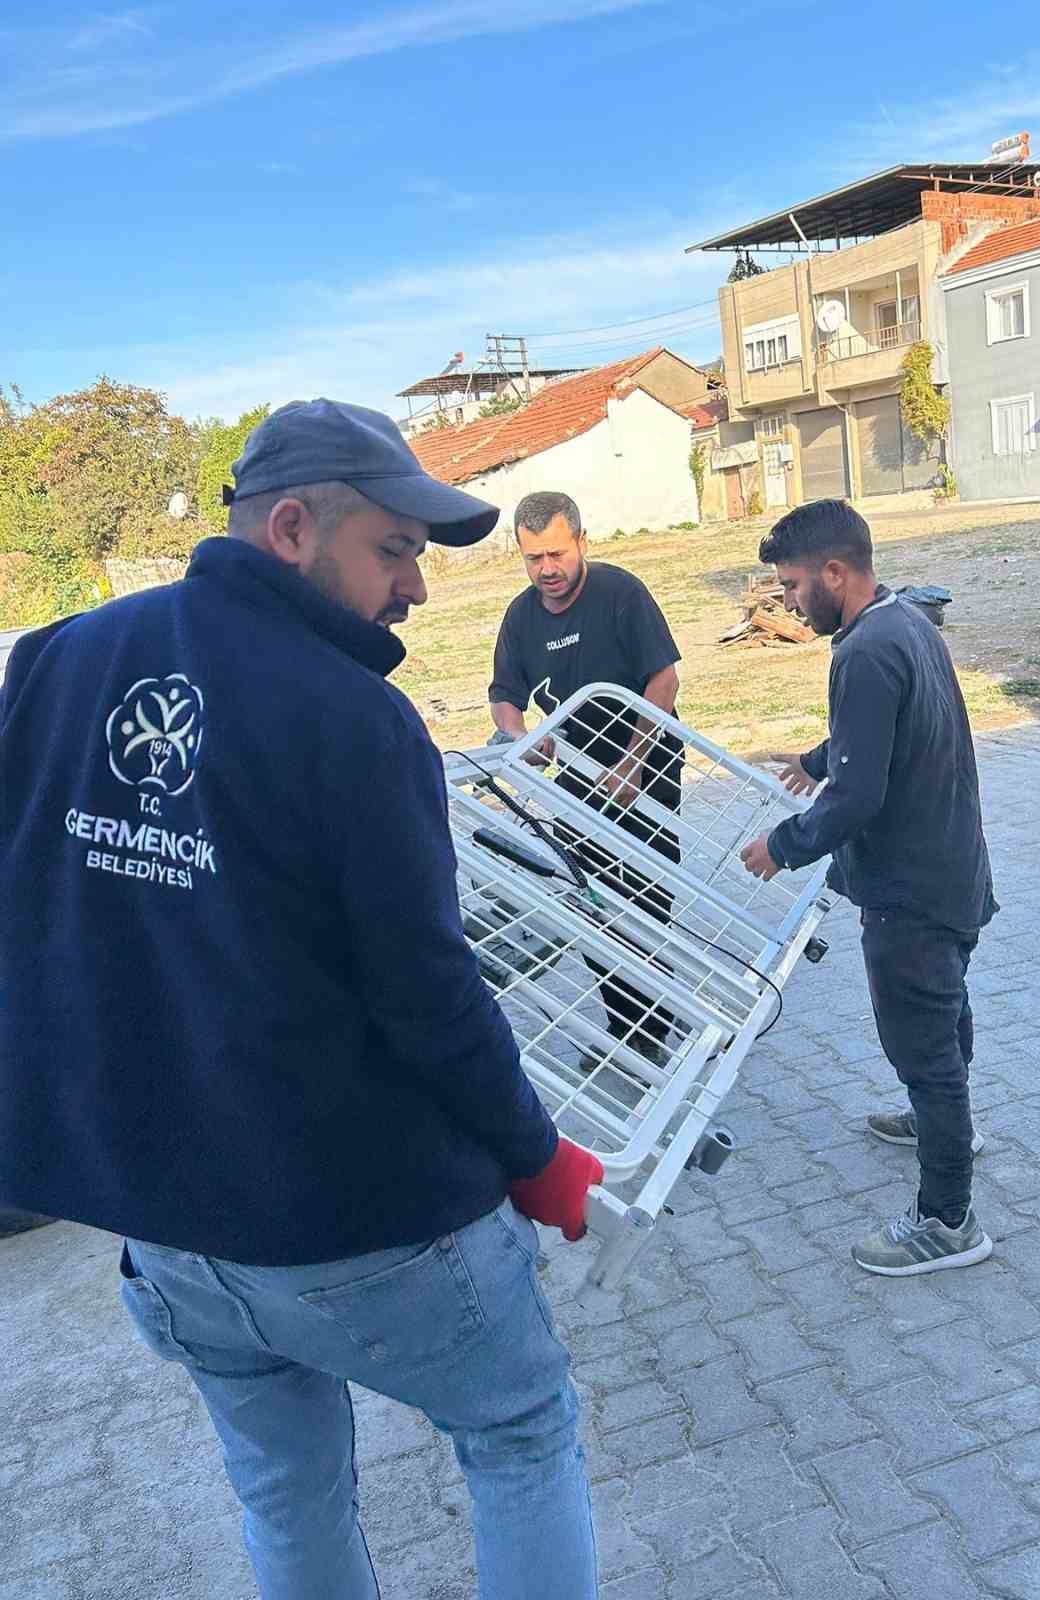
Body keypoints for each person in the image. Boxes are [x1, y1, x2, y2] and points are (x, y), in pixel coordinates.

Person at [0, 400, 602, 1600]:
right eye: (394, 551)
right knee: (519, 1428)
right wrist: (537, 1156)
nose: (415, 591)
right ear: (290, 529)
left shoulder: (55, 660)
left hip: (168, 1227)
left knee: (286, 1493)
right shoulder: (355, 720)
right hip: (358, 1227)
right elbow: (430, 992)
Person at [740, 499, 997, 1277]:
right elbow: (878, 734)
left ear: (834, 572)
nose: (786, 601)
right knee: (942, 1013)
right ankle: (944, 1121)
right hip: (953, 868)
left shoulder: (863, 652)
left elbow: (861, 798)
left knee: (922, 1045)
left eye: (790, 585)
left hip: (911, 890)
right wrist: (818, 760)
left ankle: (947, 1219)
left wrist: (781, 846)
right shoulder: (903, 620)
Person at [488, 491, 683, 1067]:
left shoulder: (621, 593)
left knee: (644, 898)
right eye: (533, 558)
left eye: (556, 553)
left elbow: (663, 681)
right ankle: (622, 1032)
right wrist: (521, 737)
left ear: (581, 542)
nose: (546, 569)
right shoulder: (521, 616)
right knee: (592, 898)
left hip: (644, 766)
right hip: (575, 778)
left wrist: (632, 761)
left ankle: (654, 1027)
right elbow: (504, 694)